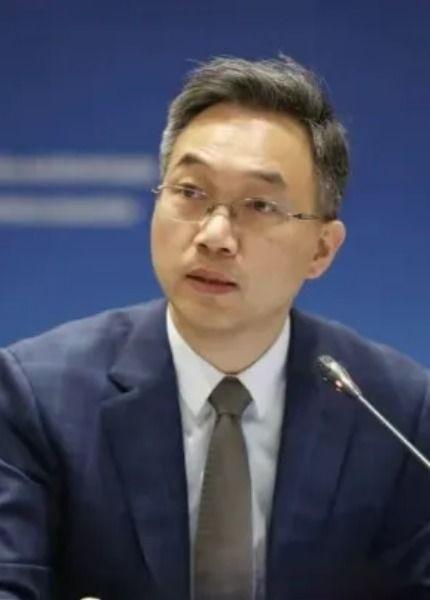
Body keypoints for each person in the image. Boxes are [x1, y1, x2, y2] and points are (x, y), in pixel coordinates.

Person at [0, 56, 429, 600]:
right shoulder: (36, 397)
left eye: (260, 205)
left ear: (322, 249)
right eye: (190, 192)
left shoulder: (396, 412)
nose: (214, 236)